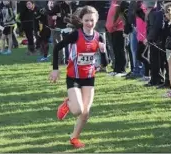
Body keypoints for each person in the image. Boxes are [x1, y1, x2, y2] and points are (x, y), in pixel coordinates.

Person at [49, 6, 106, 149]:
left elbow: (105, 63)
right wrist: (55, 69)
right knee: (77, 110)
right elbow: (57, 48)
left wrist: (103, 52)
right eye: (86, 20)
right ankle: (68, 104)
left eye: (92, 20)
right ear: (81, 20)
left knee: (86, 113)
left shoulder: (99, 37)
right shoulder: (76, 35)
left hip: (88, 77)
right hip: (73, 76)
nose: (89, 23)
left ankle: (74, 138)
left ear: (96, 20)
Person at [106, 0, 127, 77]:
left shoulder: (120, 3)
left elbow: (120, 16)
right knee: (115, 50)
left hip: (119, 29)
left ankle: (121, 69)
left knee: (120, 50)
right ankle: (116, 69)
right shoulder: (113, 2)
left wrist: (113, 25)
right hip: (112, 30)